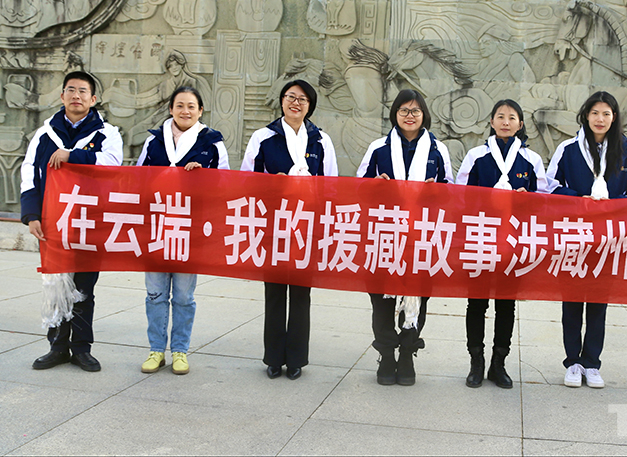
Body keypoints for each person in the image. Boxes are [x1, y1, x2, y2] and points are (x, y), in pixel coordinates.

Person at [20, 71, 124, 372]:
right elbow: (30, 172)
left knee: (84, 287)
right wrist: (31, 215)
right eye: (71, 90)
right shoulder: (45, 134)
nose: (76, 96)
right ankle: (57, 347)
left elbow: (113, 164)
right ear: (62, 96)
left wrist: (72, 155)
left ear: (93, 99)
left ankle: (81, 348)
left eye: (83, 91)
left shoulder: (107, 133)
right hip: (53, 221)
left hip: (90, 220)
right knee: (56, 284)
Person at [546, 91, 627, 389]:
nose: (600, 119)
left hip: (609, 239)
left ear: (614, 118)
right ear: (585, 116)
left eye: (606, 114)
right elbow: (550, 187)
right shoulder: (568, 149)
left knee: (598, 304)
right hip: (574, 236)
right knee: (572, 303)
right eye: (595, 113)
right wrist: (581, 199)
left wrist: (612, 205)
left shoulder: (626, 152)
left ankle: (591, 363)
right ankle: (572, 362)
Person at [241, 79, 338, 380]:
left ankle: (296, 358)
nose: (296, 103)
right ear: (282, 101)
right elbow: (247, 181)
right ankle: (273, 357)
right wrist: (274, 184)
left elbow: (330, 185)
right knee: (274, 293)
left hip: (306, 227)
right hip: (273, 225)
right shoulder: (263, 137)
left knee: (300, 294)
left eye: (302, 99)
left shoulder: (321, 141)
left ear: (310, 106)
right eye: (291, 97)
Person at [357, 88, 454, 386]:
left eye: (415, 111)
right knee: (381, 299)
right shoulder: (378, 148)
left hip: (422, 235)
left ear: (424, 115)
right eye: (404, 110)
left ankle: (408, 354)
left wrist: (438, 190)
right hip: (384, 234)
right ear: (395, 114)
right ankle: (387, 355)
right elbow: (359, 187)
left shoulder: (438, 149)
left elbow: (451, 191)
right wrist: (375, 184)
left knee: (417, 296)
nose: (409, 116)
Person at [136, 86, 229, 375]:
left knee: (184, 296)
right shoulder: (154, 141)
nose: (185, 111)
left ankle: (180, 351)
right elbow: (138, 179)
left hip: (190, 230)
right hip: (157, 226)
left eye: (191, 106)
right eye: (179, 105)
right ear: (171, 109)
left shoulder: (212, 143)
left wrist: (204, 177)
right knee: (155, 293)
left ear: (200, 111)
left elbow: (225, 185)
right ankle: (156, 350)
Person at [456, 99, 547, 389]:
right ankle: (476, 362)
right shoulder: (476, 155)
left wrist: (527, 199)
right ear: (492, 122)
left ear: (520, 124)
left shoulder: (531, 159)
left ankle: (499, 364)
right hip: (481, 238)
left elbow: (544, 200)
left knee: (506, 304)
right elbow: (460, 195)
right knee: (476, 302)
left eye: (512, 117)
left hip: (513, 240)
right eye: (500, 116)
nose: (506, 122)